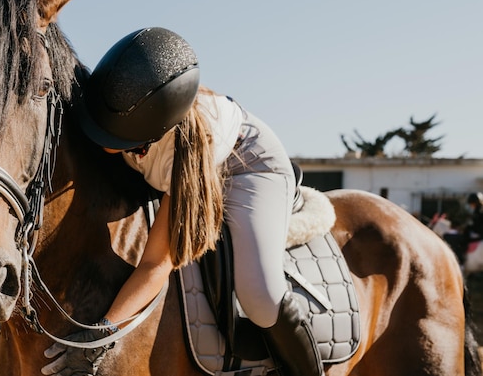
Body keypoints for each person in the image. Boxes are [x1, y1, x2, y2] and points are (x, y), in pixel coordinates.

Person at [41, 27, 323, 376]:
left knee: (260, 295)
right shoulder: (118, 104)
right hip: (171, 156)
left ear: (148, 137)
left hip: (248, 164)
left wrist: (103, 334)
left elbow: (156, 264)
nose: (97, 134)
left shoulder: (184, 156)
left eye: (108, 133)